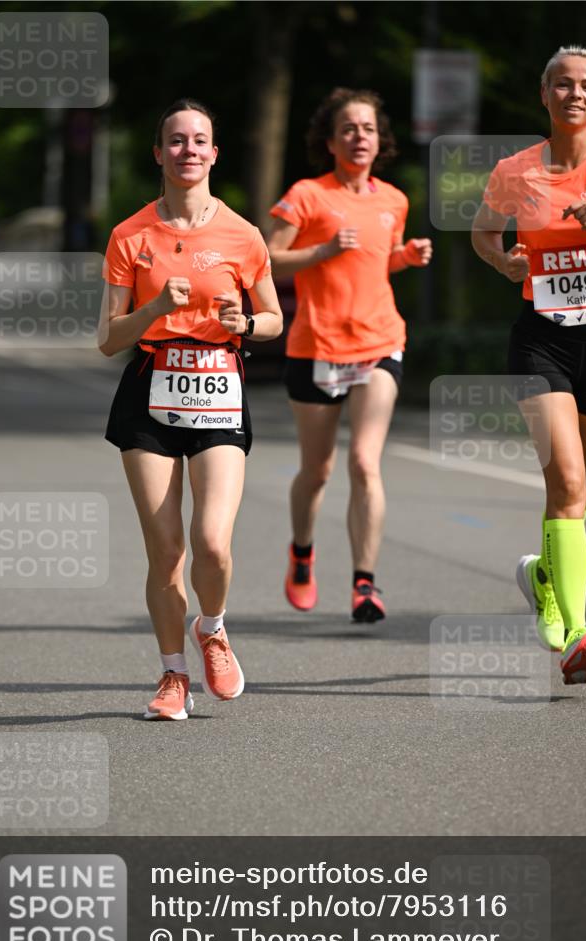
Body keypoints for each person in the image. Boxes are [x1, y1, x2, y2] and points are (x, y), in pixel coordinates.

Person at [99, 98, 282, 719]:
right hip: (150, 389)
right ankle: (173, 675)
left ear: (214, 152)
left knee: (213, 543)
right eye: (176, 141)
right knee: (166, 549)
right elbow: (107, 339)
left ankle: (214, 627)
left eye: (199, 140)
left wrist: (247, 320)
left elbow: (275, 319)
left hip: (219, 388)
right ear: (159, 153)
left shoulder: (242, 234)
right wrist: (152, 311)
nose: (188, 151)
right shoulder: (131, 235)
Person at [472, 47, 586, 684]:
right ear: (545, 95)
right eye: (563, 85)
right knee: (564, 483)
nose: (575, 95)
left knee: (583, 493)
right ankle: (576, 635)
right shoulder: (516, 171)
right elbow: (484, 232)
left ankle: (542, 578)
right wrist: (502, 259)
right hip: (543, 340)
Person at [267, 88, 432, 623]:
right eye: (349, 129)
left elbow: (375, 265)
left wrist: (404, 256)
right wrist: (323, 250)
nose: (360, 137)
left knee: (365, 461)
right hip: (316, 345)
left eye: (368, 128)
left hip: (379, 341)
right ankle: (301, 550)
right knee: (317, 471)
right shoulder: (308, 195)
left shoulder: (393, 200)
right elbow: (268, 259)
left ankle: (365, 584)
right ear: (332, 140)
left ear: (380, 139)